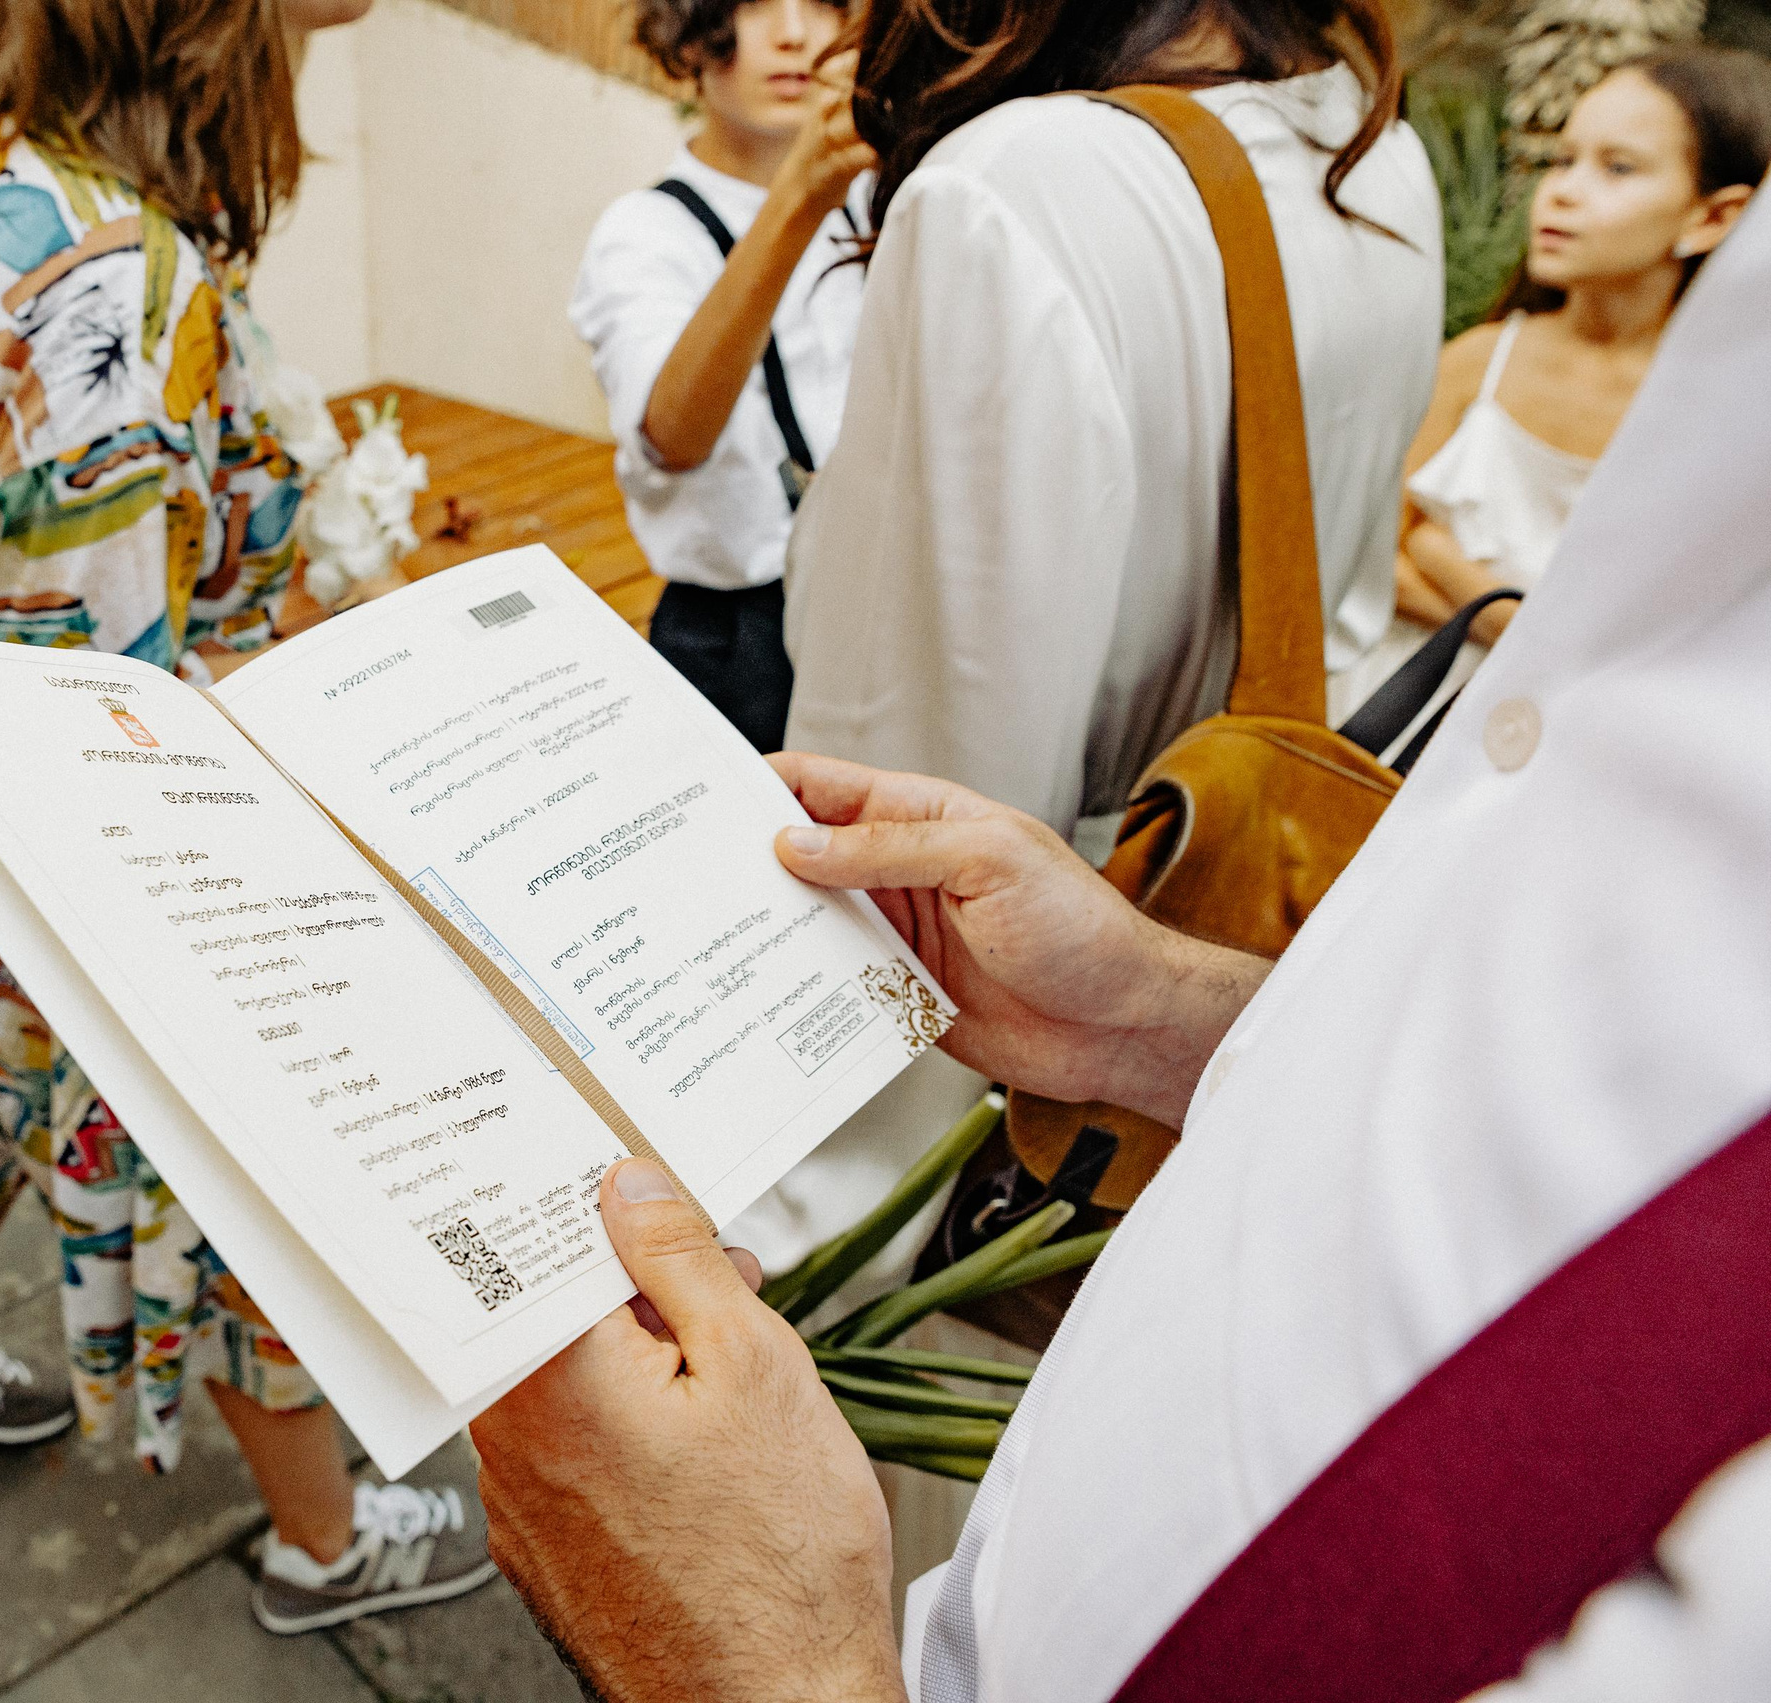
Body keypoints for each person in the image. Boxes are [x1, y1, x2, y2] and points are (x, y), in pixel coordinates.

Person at [469, 181, 1771, 1701]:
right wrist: (1164, 1014)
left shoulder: (991, 196)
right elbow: (1591, 1077)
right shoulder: (1394, 190)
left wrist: (748, 1660)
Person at [0, 0, 493, 1636]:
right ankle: (324, 1539)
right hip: (63, 824)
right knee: (229, 1170)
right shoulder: (116, 277)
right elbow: (114, 707)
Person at [728, 0, 1441, 1314]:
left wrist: (783, 1261)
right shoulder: (1365, 139)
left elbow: (912, 817)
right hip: (1243, 947)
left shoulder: (1016, 186)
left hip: (998, 1100)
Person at [1360, 45, 1769, 715]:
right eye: (1563, 159)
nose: (1564, 191)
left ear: (1713, 217)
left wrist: (1440, 555)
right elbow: (1369, 561)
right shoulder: (1480, 361)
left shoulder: (1717, 417)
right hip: (1397, 714)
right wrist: (1539, 632)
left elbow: (1667, 643)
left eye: (1617, 168)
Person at [569, 0, 875, 756]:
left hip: (870, 611)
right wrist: (800, 195)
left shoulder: (879, 199)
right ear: (690, 35)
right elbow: (671, 438)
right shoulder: (646, 233)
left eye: (822, 4)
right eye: (755, 4)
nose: (794, 34)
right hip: (739, 644)